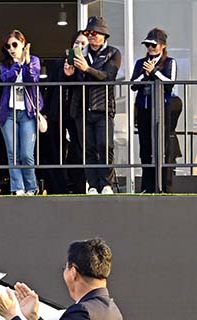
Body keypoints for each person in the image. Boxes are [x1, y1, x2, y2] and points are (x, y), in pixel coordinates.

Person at [66, 17, 122, 194]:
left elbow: (108, 76)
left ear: (104, 35)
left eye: (94, 33)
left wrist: (87, 69)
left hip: (103, 107)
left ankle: (106, 183)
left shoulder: (113, 53)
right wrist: (70, 73)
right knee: (88, 148)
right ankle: (91, 184)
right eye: (88, 32)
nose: (91, 36)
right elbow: (76, 80)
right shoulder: (80, 52)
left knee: (105, 146)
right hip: (82, 108)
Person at [42, 31, 89, 194]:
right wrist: (45, 111)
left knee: (77, 151)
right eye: (77, 43)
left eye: (84, 44)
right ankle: (58, 188)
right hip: (57, 113)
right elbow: (51, 88)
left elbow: (85, 87)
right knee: (56, 151)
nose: (80, 46)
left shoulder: (88, 66)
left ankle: (77, 187)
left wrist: (75, 73)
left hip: (77, 114)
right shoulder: (59, 63)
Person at [131, 28, 177, 193]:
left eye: (153, 45)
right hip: (144, 109)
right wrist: (146, 73)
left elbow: (170, 83)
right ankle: (147, 186)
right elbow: (133, 85)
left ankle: (163, 186)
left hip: (162, 109)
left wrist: (155, 71)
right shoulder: (140, 63)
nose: (150, 48)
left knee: (162, 148)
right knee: (145, 148)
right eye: (148, 45)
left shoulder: (169, 62)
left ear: (162, 46)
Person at [0, 30, 42, 195]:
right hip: (8, 113)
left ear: (23, 44)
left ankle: (31, 187)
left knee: (26, 154)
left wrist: (27, 61)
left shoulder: (34, 61)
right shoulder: (5, 64)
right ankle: (18, 188)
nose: (11, 48)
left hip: (27, 113)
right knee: (12, 153)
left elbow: (33, 79)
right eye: (8, 46)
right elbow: (7, 79)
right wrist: (17, 63)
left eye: (15, 44)